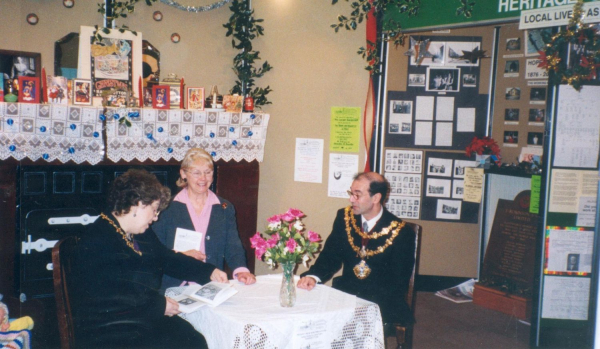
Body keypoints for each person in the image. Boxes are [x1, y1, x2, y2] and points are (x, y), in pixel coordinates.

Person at [71, 169, 228, 348]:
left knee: (192, 337)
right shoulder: (99, 238)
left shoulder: (139, 233)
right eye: (154, 210)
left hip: (136, 317)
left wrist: (209, 271)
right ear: (137, 204)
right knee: (188, 342)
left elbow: (166, 259)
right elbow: (112, 296)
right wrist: (158, 306)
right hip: (109, 330)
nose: (156, 217)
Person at [297, 172, 416, 327]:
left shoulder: (401, 232)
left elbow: (398, 282)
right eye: (351, 193)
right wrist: (313, 276)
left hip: (381, 301)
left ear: (376, 198)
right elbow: (330, 255)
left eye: (357, 195)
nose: (351, 199)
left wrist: (363, 307)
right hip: (346, 293)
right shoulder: (344, 217)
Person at [153, 148, 256, 291]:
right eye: (196, 173)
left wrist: (241, 270)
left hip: (211, 284)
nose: (203, 178)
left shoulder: (224, 208)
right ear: (183, 174)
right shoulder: (166, 209)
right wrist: (179, 255)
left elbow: (232, 245)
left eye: (208, 172)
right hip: (175, 285)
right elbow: (155, 250)